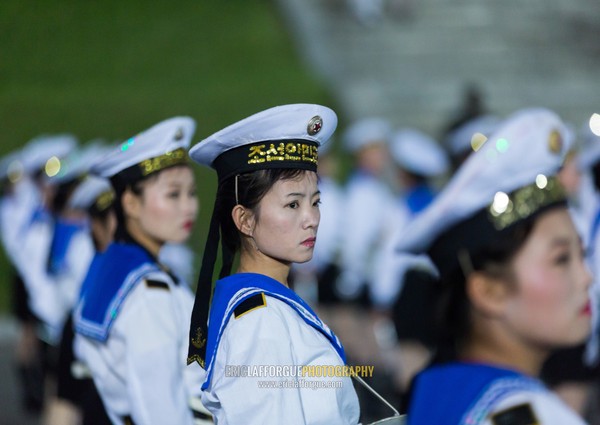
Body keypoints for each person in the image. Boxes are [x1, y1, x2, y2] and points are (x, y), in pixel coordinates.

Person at [396, 108, 592, 424]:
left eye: (581, 256)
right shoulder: (535, 415)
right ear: (489, 291)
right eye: (561, 259)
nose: (587, 277)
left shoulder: (436, 387)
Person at [186, 104, 361, 424]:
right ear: (245, 220)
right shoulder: (259, 320)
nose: (311, 219)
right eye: (292, 204)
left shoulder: (269, 306)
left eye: (315, 202)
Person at [73, 117, 211, 425]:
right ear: (131, 203)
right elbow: (160, 413)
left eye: (191, 193)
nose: (188, 207)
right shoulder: (149, 294)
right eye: (173, 194)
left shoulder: (112, 265)